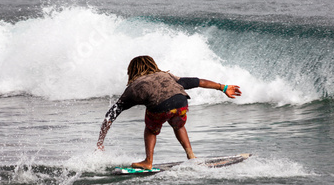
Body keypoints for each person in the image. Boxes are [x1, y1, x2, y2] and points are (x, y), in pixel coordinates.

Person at [96, 55, 241, 170]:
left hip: (161, 107)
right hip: (181, 103)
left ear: (132, 71)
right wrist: (223, 87)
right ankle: (191, 156)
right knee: (178, 126)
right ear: (153, 65)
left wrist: (100, 142)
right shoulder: (168, 76)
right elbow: (198, 81)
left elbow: (111, 115)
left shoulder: (134, 87)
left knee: (151, 130)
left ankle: (148, 161)